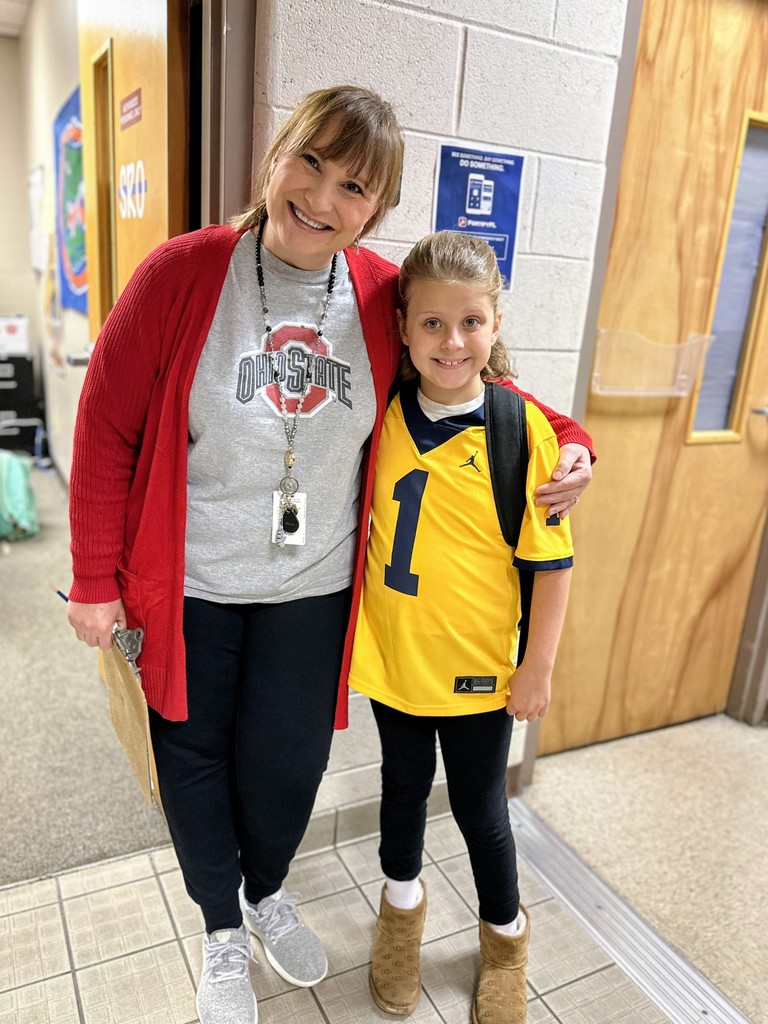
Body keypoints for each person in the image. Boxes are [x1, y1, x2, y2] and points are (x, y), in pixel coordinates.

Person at [66, 87, 592, 1024]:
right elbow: (106, 424)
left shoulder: (383, 296)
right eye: (311, 161)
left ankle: (267, 891)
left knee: (288, 762)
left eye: (354, 185)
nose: (321, 196)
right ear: (277, 155)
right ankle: (222, 931)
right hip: (191, 582)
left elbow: (479, 373)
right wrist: (95, 580)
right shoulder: (182, 275)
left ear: (374, 210)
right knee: (193, 757)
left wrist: (575, 439)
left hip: (314, 589)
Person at [348, 231, 575, 1024]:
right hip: (394, 663)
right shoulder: (380, 413)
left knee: (483, 811)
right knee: (401, 793)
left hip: (480, 675)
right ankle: (399, 920)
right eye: (434, 325)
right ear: (404, 328)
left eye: (471, 323)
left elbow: (552, 567)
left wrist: (536, 667)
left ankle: (506, 938)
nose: (453, 342)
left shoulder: (522, 432)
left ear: (496, 323)